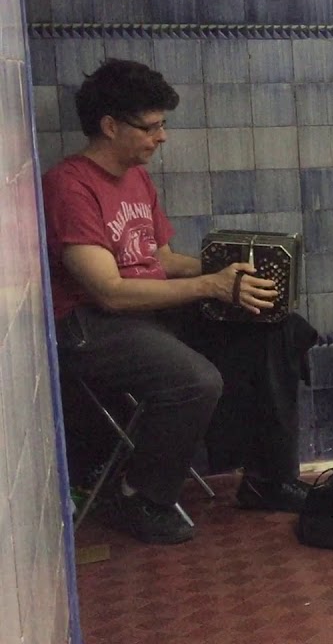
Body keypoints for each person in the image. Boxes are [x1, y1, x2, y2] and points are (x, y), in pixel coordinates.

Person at [43, 59, 317, 545]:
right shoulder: (71, 186)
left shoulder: (136, 177)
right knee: (195, 379)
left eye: (162, 125)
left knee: (274, 324)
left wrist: (234, 269)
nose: (161, 137)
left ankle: (267, 478)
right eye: (151, 127)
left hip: (149, 309)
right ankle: (139, 496)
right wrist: (211, 286)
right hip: (90, 323)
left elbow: (160, 260)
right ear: (110, 126)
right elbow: (110, 290)